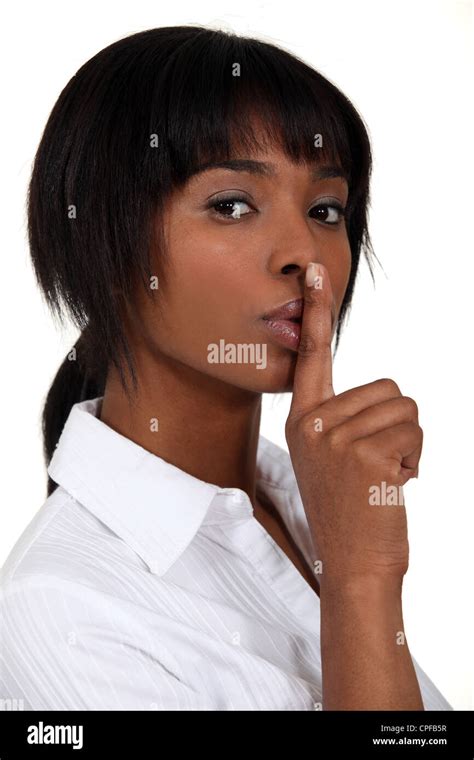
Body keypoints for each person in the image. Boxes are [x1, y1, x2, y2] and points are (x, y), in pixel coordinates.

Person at [0, 25, 451, 710]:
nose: (306, 252)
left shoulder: (313, 499)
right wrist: (362, 580)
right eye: (232, 205)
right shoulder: (63, 611)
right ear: (103, 236)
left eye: (326, 209)